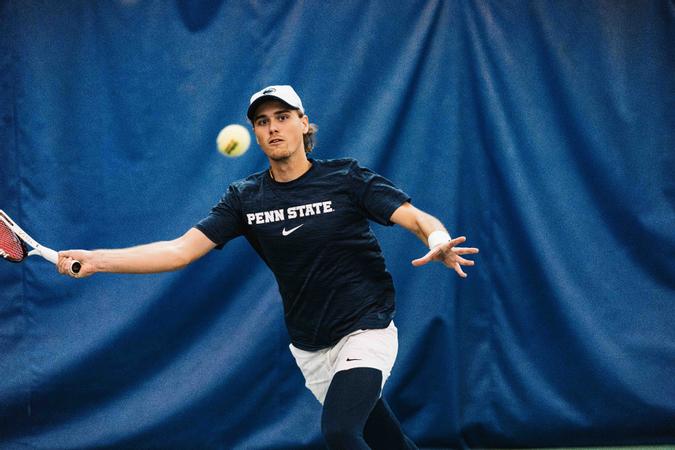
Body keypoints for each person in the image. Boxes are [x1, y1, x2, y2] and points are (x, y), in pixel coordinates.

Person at [57, 85, 479, 449]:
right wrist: (97, 261)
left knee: (340, 433)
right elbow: (179, 251)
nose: (272, 127)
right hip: (310, 345)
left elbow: (417, 218)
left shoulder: (345, 178)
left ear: (303, 123)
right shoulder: (245, 198)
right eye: (262, 121)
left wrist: (438, 240)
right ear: (255, 134)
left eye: (282, 117)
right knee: (386, 440)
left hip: (366, 327)